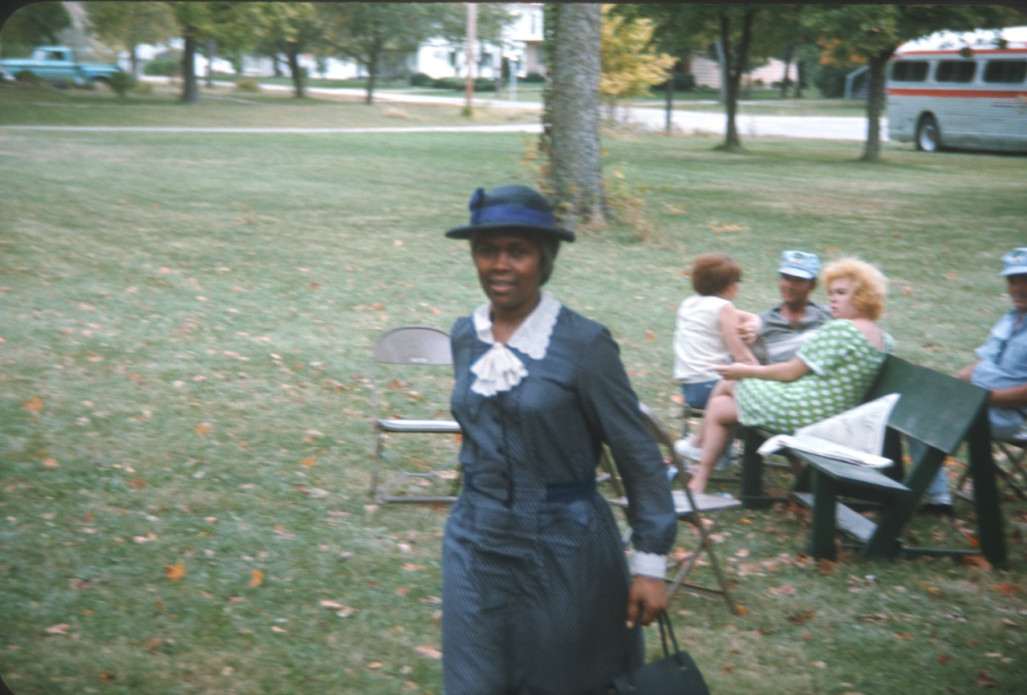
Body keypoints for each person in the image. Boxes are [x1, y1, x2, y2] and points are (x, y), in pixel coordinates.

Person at [441, 184, 677, 695]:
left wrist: (651, 565)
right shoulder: (465, 335)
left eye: (517, 251)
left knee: (565, 682)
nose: (499, 264)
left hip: (565, 545)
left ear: (544, 260)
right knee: (472, 681)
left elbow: (638, 456)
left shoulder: (584, 344)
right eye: (487, 250)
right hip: (474, 542)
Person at [686, 257, 893, 494]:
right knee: (722, 406)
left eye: (841, 293)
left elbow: (790, 371)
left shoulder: (842, 329)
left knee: (731, 379)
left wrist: (746, 371)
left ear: (863, 295)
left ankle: (697, 450)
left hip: (804, 410)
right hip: (827, 411)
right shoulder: (883, 338)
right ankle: (699, 476)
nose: (833, 299)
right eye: (831, 293)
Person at [924, 247, 1027, 511]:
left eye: (1024, 279)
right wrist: (950, 382)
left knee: (930, 418)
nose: (1017, 287)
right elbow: (982, 364)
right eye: (1012, 280)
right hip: (981, 403)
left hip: (1013, 416)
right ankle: (935, 496)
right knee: (918, 406)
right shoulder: (1010, 318)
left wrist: (986, 398)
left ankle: (930, 498)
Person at [672, 252, 758, 412]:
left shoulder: (688, 304)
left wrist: (754, 322)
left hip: (689, 388)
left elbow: (748, 316)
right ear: (730, 284)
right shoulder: (724, 307)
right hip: (711, 385)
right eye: (738, 281)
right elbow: (742, 357)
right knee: (762, 397)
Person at [745, 250, 833, 365]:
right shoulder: (762, 322)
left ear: (812, 286)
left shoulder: (827, 317)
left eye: (798, 281)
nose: (789, 286)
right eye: (786, 278)